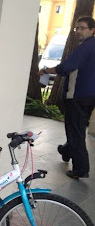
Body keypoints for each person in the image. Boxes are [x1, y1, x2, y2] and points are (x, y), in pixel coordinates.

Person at [39, 16, 95, 179]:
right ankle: (66, 150)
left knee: (75, 131)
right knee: (77, 127)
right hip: (90, 96)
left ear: (92, 29)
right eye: (77, 28)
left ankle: (81, 169)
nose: (78, 31)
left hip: (78, 95)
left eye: (82, 28)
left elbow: (67, 67)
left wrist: (46, 71)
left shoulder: (86, 46)